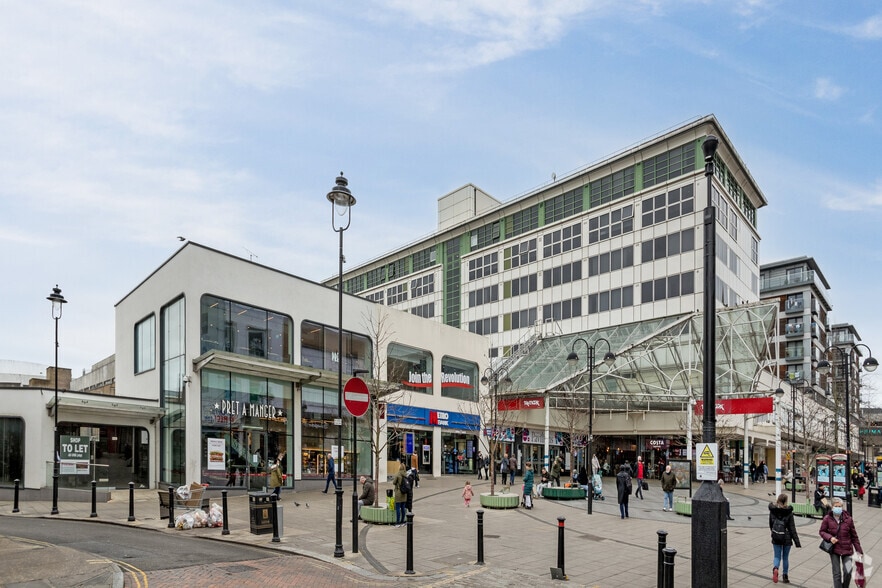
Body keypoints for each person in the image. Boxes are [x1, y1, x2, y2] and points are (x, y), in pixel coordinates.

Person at [820, 496, 863, 588]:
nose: (838, 508)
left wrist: (859, 551)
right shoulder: (827, 518)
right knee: (837, 573)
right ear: (832, 507)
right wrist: (830, 537)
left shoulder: (848, 519)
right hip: (834, 549)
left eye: (840, 506)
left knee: (848, 571)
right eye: (836, 506)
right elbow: (822, 531)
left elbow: (854, 537)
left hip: (847, 550)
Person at [769, 493, 801, 583]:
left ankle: (775, 568)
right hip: (786, 537)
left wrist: (773, 533)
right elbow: (792, 528)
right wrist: (797, 541)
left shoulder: (773, 510)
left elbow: (771, 524)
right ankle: (785, 576)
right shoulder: (789, 512)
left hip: (776, 535)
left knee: (777, 556)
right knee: (785, 557)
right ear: (786, 501)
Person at [393, 462, 409, 527]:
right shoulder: (406, 474)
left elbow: (394, 482)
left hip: (399, 493)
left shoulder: (398, 474)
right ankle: (403, 521)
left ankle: (398, 522)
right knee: (403, 508)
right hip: (404, 493)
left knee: (398, 508)